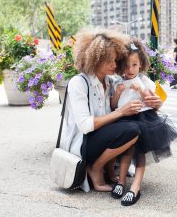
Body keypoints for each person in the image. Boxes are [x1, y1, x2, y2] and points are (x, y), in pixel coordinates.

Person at [61, 28, 144, 193]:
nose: (115, 65)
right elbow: (85, 126)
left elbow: (135, 81)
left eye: (115, 60)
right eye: (109, 61)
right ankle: (96, 168)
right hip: (82, 144)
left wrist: (154, 101)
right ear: (95, 59)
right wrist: (121, 112)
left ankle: (108, 168)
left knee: (137, 126)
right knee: (132, 129)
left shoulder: (110, 81)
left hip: (99, 138)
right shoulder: (79, 83)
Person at [110, 38, 177, 206]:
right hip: (125, 119)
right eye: (126, 65)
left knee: (140, 153)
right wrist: (118, 93)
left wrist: (140, 90)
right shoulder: (118, 82)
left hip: (143, 119)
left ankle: (136, 187)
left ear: (141, 64)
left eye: (134, 65)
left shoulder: (145, 81)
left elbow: (151, 101)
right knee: (126, 151)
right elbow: (113, 105)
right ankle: (121, 182)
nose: (130, 69)